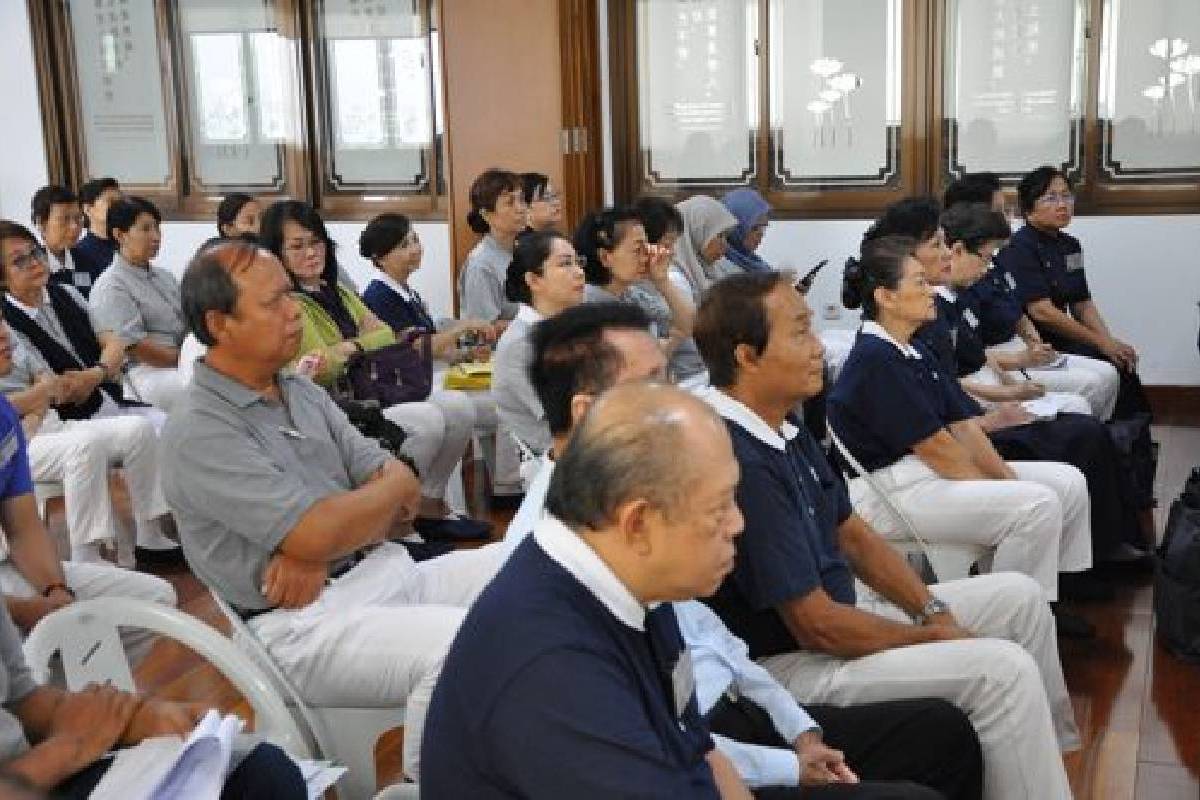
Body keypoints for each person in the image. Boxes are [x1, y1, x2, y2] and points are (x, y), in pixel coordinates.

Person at [502, 302, 984, 800]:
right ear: (587, 414)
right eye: (651, 386)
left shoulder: (622, 500)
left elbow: (711, 638)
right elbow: (653, 745)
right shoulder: (562, 552)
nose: (674, 401)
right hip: (697, 759)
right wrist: (785, 764)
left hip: (734, 715)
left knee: (941, 733)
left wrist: (798, 729)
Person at [694, 269, 1079, 800]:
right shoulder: (738, 457)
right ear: (746, 356)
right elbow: (816, 628)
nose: (818, 350)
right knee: (1000, 672)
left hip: (844, 618)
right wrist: (930, 636)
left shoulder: (782, 423)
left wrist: (929, 611)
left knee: (1020, 597)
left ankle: (1042, 765)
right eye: (800, 332)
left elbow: (852, 533)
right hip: (789, 664)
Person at [163, 239, 503, 781]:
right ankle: (431, 787)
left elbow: (405, 488)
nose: (294, 311)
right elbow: (330, 522)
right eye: (273, 303)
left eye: (290, 297)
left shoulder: (297, 388)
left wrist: (324, 541)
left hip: (376, 570)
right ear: (219, 323)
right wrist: (334, 529)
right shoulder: (201, 429)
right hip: (302, 626)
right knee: (467, 644)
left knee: (525, 566)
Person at [423, 382, 748, 799]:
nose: (737, 524)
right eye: (719, 508)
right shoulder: (553, 675)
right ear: (638, 524)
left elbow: (697, 748)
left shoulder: (635, 584)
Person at [938, 203, 1151, 571]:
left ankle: (1111, 540)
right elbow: (949, 400)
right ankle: (1093, 561)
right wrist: (1005, 402)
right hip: (975, 424)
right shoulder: (924, 320)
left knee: (1088, 425)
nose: (990, 266)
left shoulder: (950, 304)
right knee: (1082, 434)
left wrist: (1014, 384)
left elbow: (970, 364)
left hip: (981, 408)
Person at [260, 201, 486, 540]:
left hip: (374, 389)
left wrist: (349, 348)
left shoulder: (337, 291)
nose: (311, 252)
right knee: (427, 421)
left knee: (459, 408)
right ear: (276, 253)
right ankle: (394, 525)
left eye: (316, 242)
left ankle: (430, 503)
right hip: (336, 405)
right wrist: (357, 345)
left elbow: (384, 334)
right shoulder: (287, 302)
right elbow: (316, 366)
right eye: (297, 246)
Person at [0, 225, 178, 568]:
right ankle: (88, 553)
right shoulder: (7, 319)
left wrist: (93, 373)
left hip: (93, 400)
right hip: (61, 418)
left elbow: (114, 343)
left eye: (35, 253)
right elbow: (55, 388)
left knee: (153, 428)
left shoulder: (66, 293)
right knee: (91, 444)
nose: (35, 263)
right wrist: (48, 395)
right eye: (19, 261)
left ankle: (150, 532)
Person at [0, 601, 305, 798]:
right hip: (30, 777)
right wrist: (66, 747)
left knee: (262, 772)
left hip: (37, 774)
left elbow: (22, 698)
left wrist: (132, 717)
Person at [0, 318, 174, 653]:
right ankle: (42, 697)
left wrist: (54, 590)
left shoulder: (5, 419)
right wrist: (29, 612)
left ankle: (62, 695)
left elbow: (23, 527)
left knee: (156, 601)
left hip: (13, 568)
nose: (4, 334)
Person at [942, 173, 1120, 420]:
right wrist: (1016, 377)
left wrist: (1032, 342)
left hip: (1017, 353)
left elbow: (1022, 312)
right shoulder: (957, 285)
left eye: (1067, 196)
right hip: (999, 361)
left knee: (1108, 373)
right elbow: (966, 359)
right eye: (1001, 211)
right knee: (1089, 388)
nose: (1009, 218)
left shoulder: (994, 261)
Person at [996, 166, 1150, 419]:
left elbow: (1082, 303)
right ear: (1028, 206)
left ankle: (1131, 442)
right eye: (1051, 198)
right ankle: (1110, 439)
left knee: (1121, 361)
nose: (1062, 205)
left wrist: (1109, 342)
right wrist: (1101, 343)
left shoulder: (1070, 245)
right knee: (1107, 364)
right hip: (1036, 343)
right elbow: (1041, 312)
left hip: (1069, 337)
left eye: (1067, 196)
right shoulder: (1019, 247)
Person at [87, 197, 186, 413]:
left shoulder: (165, 276)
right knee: (202, 389)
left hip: (181, 360)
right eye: (146, 229)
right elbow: (136, 347)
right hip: (144, 373)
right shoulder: (111, 285)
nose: (156, 237)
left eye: (157, 229)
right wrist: (185, 360)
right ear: (119, 235)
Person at [492, 230, 584, 459]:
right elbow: (563, 420)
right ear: (533, 280)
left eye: (578, 262)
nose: (580, 272)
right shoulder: (521, 344)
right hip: (553, 460)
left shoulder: (568, 328)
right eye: (565, 264)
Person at [574, 207, 694, 355]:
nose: (646, 257)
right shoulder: (586, 304)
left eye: (647, 248)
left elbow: (690, 325)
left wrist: (663, 281)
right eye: (638, 250)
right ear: (605, 257)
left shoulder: (631, 294)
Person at [667, 195, 739, 380]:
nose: (725, 245)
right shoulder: (674, 278)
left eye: (727, 237)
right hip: (691, 373)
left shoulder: (711, 268)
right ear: (696, 233)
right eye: (719, 236)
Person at [458, 168, 527, 323]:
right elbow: (483, 329)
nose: (521, 209)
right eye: (510, 203)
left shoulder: (523, 250)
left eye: (522, 200)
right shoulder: (481, 265)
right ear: (486, 215)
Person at [29, 187, 98, 298]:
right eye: (64, 219)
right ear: (41, 223)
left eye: (78, 218)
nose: (74, 226)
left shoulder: (88, 260)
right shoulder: (32, 268)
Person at [72, 179, 121, 282]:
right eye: (110, 201)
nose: (118, 207)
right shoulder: (79, 254)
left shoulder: (127, 245)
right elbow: (83, 293)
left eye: (119, 202)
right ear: (88, 208)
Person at [721, 188, 773, 273]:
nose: (760, 235)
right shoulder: (721, 267)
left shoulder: (753, 262)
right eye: (754, 228)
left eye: (763, 227)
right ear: (735, 227)